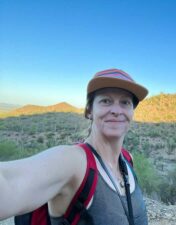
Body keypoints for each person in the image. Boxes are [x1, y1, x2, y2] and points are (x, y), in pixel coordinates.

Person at [0, 68, 149, 225]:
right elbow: (9, 183)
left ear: (132, 112)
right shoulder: (74, 162)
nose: (116, 111)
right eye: (106, 101)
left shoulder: (127, 159)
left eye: (125, 102)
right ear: (89, 110)